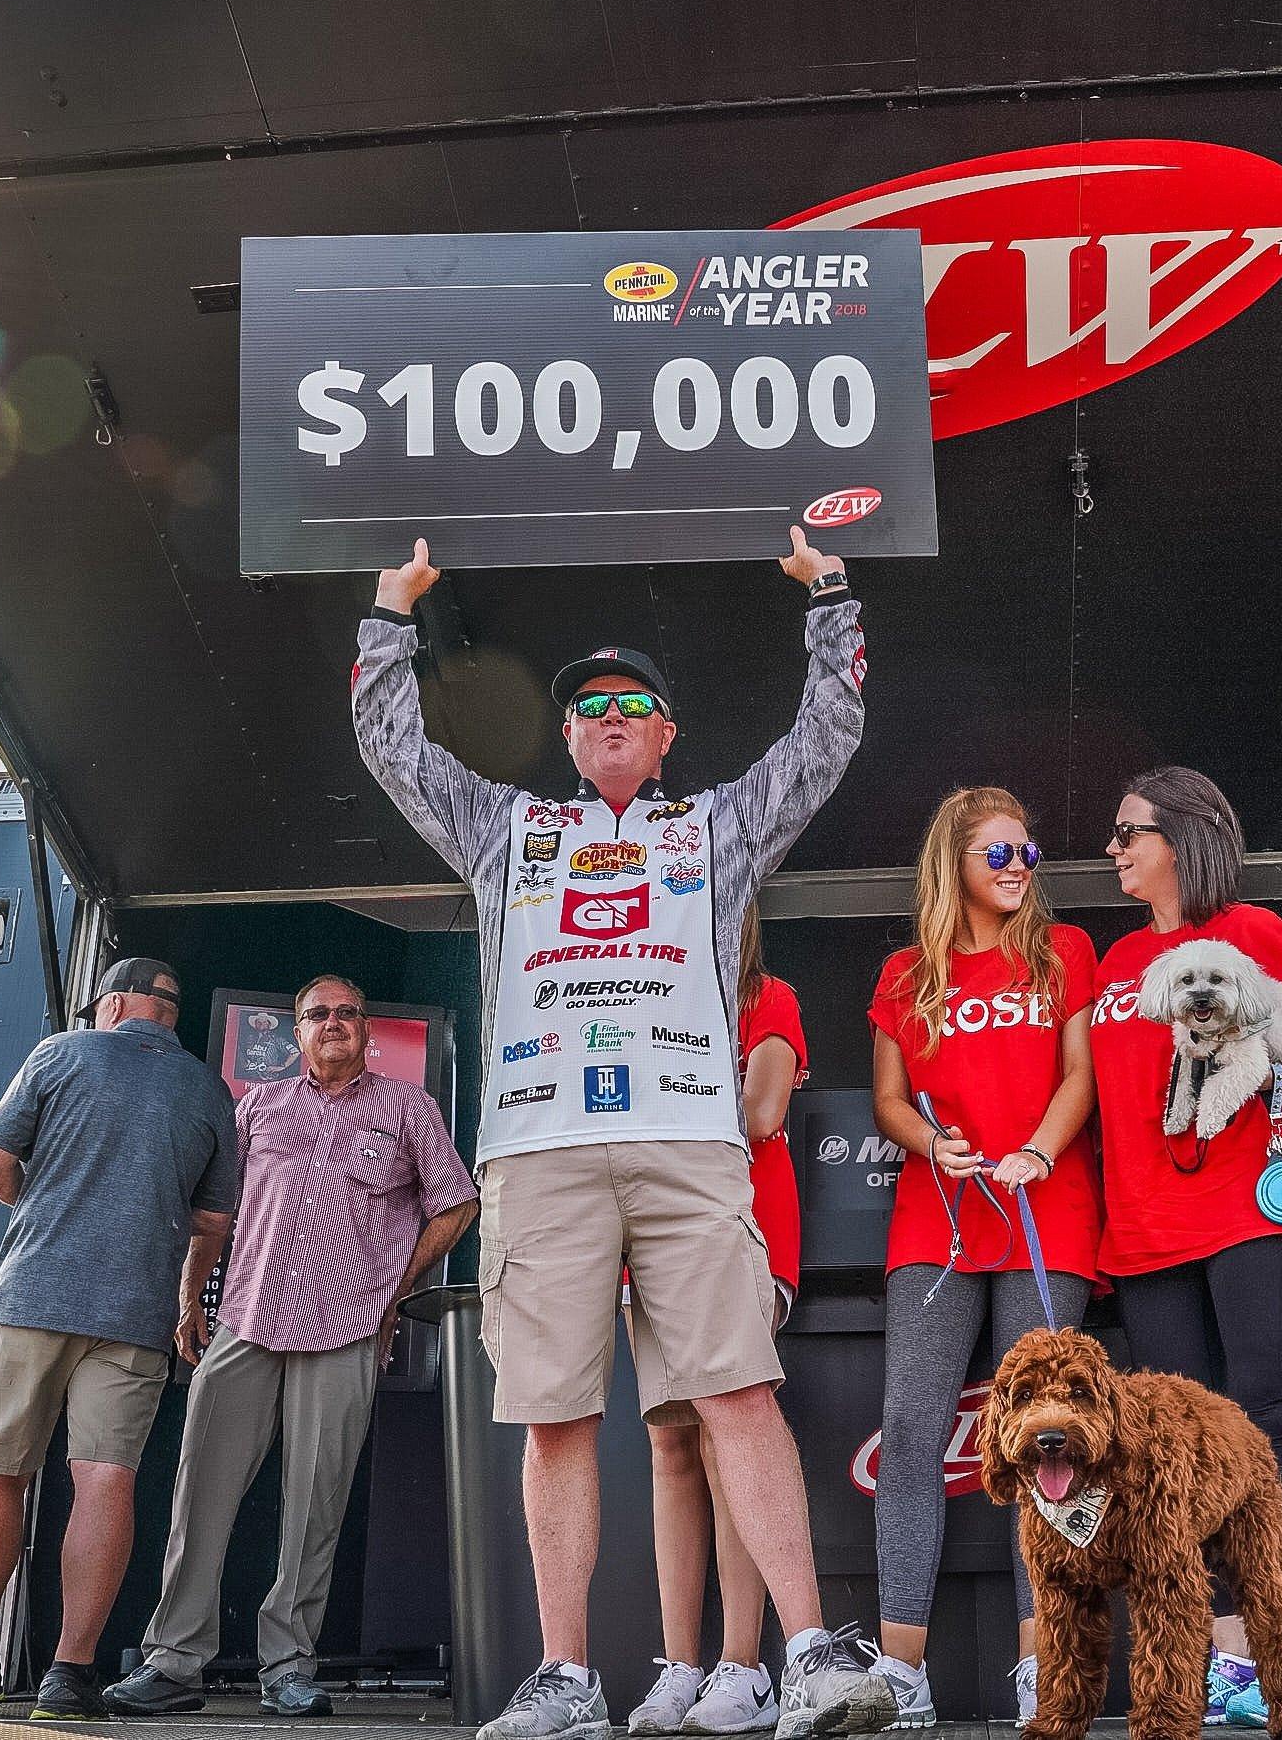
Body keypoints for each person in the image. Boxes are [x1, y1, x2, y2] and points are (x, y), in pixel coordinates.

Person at [351, 531, 893, 1740]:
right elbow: (393, 749)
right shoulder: (505, 829)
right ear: (568, 734)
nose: (607, 716)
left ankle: (805, 1653)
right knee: (553, 1411)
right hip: (540, 1148)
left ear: (664, 734)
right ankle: (564, 1678)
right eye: (588, 706)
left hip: (690, 1140)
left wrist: (830, 596)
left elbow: (827, 739)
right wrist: (391, 611)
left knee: (739, 1390)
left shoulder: (717, 825)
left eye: (631, 705)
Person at [1087, 768, 1282, 1729]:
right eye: (1114, 836)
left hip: (1253, 1210)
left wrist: (1271, 1068)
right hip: (1143, 1231)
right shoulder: (1112, 963)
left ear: (1184, 835)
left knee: (1274, 1415)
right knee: (1181, 1449)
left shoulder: (1251, 931)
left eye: (1131, 832)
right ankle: (1229, 1661)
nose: (1116, 849)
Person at [108, 973, 479, 1718]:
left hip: (344, 1328)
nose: (335, 1022)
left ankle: (288, 1666)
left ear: (368, 1030)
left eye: (349, 1012)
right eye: (319, 1014)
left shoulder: (408, 1107)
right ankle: (175, 1660)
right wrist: (191, 1297)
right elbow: (217, 1213)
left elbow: (457, 1201)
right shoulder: (259, 1105)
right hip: (247, 1319)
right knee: (199, 1497)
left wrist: (393, 1291)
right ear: (298, 1031)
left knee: (316, 1509)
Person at [0, 956, 241, 1720]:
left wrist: (39, 1206)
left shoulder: (61, 1051)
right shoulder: (210, 1089)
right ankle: (70, 1674)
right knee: (106, 1478)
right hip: (136, 1314)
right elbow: (214, 1221)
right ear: (170, 1014)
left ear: (113, 1003)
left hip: (34, 1296)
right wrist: (187, 1296)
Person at [862, 786, 1098, 1729]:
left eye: (1026, 853)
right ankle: (900, 1672)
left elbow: (1080, 1073)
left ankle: (1039, 1669)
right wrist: (933, 1142)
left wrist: (1038, 1146)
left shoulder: (1062, 952)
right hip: (941, 1219)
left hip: (1048, 1210)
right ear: (952, 863)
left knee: (1044, 1437)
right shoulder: (905, 971)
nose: (1016, 868)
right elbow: (888, 1099)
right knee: (911, 1430)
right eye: (996, 853)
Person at [629, 904, 808, 1738]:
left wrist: (658, 1110)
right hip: (646, 1248)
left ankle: (746, 1667)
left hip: (742, 1238)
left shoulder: (767, 995)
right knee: (670, 1445)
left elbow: (763, 1111)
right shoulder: (636, 997)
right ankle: (683, 1667)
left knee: (724, 1429)